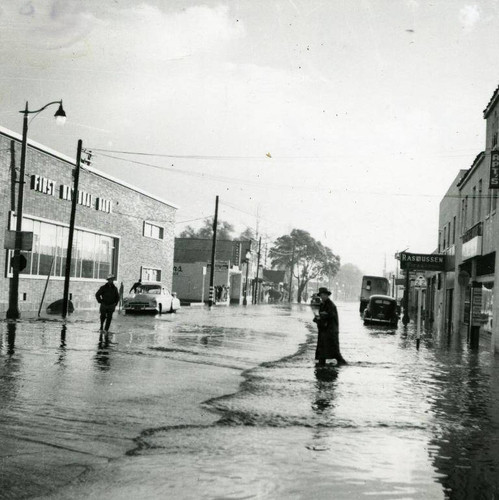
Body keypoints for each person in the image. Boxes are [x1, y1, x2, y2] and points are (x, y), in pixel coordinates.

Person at [313, 287, 347, 366]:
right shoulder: (323, 304)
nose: (321, 297)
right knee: (323, 350)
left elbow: (330, 316)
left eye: (322, 295)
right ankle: (321, 365)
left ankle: (340, 364)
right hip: (324, 330)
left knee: (334, 350)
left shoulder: (331, 305)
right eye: (321, 295)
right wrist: (317, 318)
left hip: (330, 331)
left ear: (326, 295)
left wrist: (321, 316)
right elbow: (320, 315)